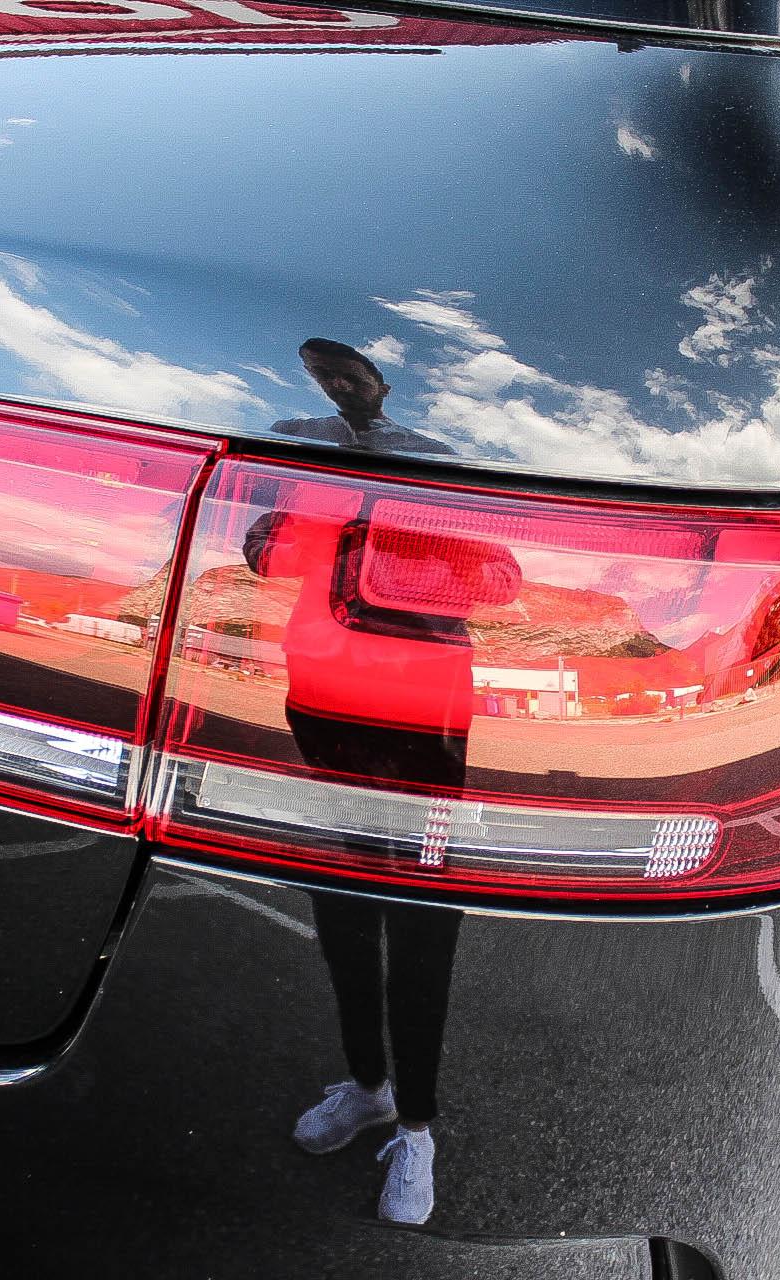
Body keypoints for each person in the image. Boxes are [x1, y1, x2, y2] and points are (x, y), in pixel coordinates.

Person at [242, 383, 517, 1223]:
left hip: (426, 721)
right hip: (323, 709)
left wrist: (432, 538)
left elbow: (502, 580)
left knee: (424, 918)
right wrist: (322, 500)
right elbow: (262, 553)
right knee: (342, 906)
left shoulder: (440, 473)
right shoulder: (317, 458)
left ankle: (419, 1127)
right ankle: (368, 1086)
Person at [273, 337, 456, 456]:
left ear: (384, 390)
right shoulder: (289, 432)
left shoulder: (433, 452)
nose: (339, 385)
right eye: (325, 376)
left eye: (354, 379)